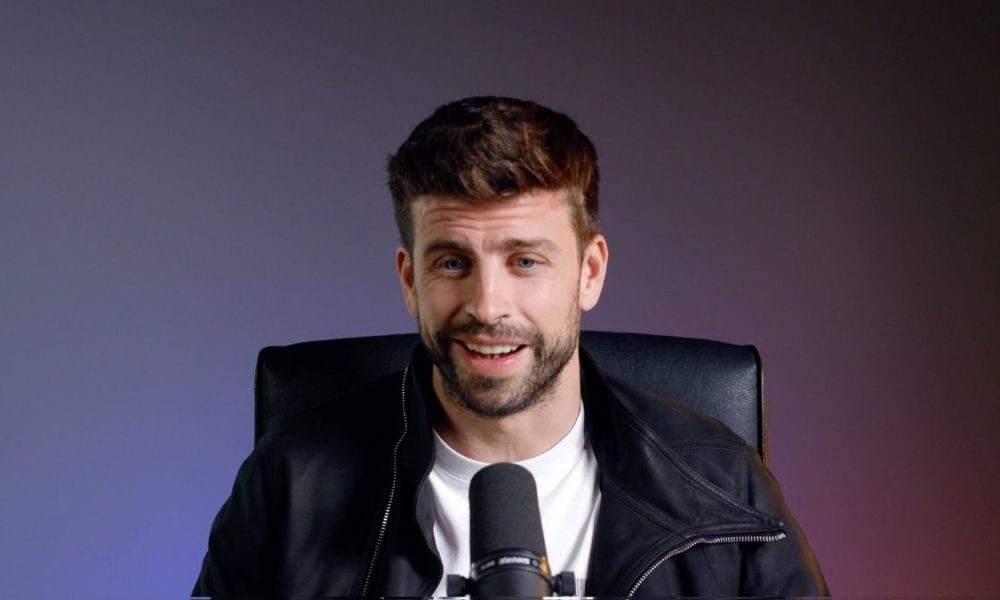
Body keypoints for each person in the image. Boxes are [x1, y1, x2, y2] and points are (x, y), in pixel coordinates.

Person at [193, 96, 828, 598]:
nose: (488, 305)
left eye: (525, 261)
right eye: (452, 263)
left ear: (589, 273)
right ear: (410, 280)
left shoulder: (724, 485)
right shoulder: (290, 483)